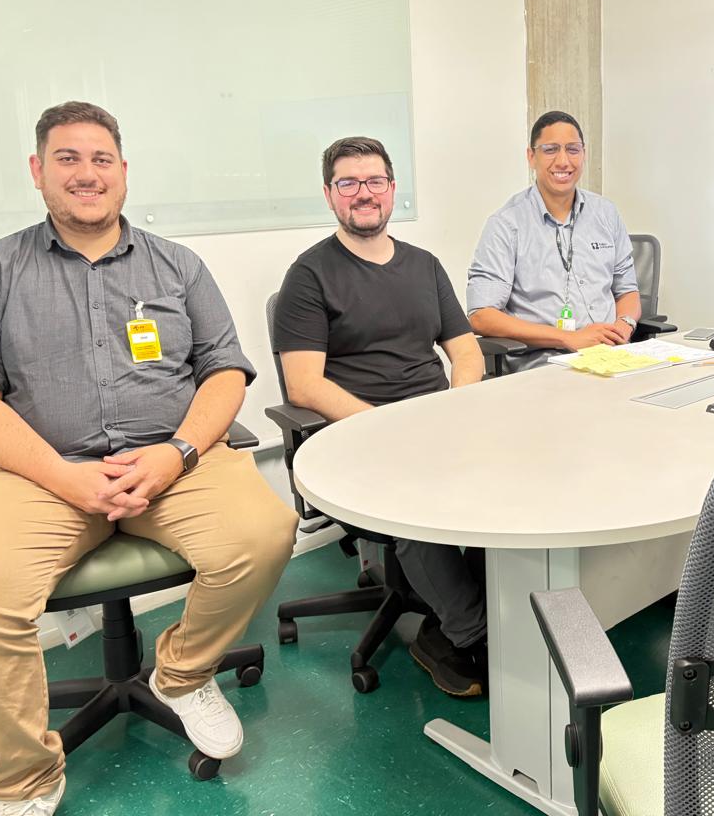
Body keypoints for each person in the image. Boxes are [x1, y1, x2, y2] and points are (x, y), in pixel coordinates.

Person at [0, 101, 298, 816]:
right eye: (67, 159)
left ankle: (182, 674)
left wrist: (178, 452)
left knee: (265, 532)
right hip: (43, 472)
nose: (86, 174)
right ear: (38, 172)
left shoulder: (178, 266)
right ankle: (27, 775)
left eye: (101, 159)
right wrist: (64, 476)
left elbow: (225, 371)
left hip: (173, 462)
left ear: (124, 172)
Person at [271, 136, 488, 697]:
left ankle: (493, 609)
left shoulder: (424, 265)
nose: (363, 194)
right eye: (348, 183)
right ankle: (470, 636)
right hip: (361, 436)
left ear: (392, 190)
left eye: (374, 182)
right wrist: (387, 428)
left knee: (507, 480)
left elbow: (464, 351)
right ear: (329, 195)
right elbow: (304, 383)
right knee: (412, 497)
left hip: (437, 422)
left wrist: (458, 404)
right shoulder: (311, 275)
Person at [466, 110, 641, 370]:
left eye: (573, 149)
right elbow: (481, 315)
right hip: (546, 365)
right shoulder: (507, 224)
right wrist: (569, 338)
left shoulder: (606, 213)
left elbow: (627, 290)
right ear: (531, 157)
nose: (563, 161)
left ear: (584, 154)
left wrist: (622, 328)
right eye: (550, 150)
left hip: (610, 359)